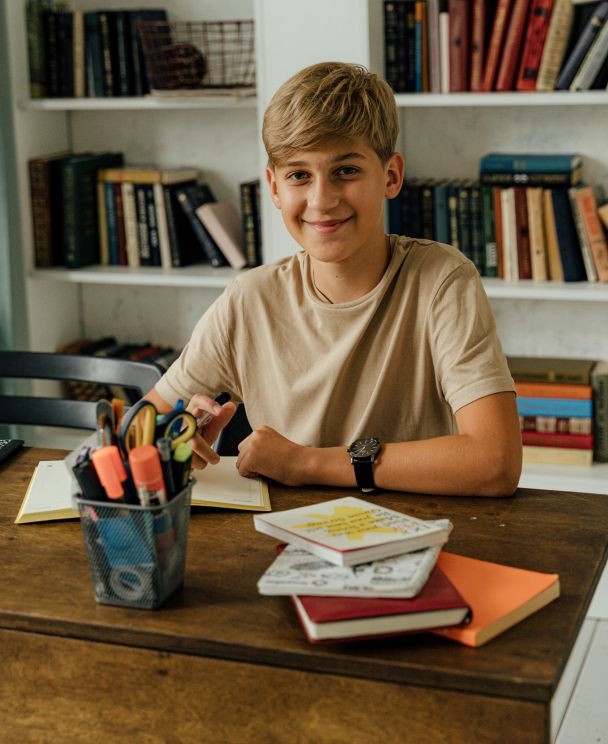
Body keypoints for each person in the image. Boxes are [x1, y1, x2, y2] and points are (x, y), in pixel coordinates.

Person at [146, 61, 522, 497]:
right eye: (299, 175)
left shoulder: (441, 280)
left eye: (346, 170)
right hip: (283, 539)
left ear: (391, 175)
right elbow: (141, 424)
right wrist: (175, 435)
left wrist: (307, 463)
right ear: (273, 187)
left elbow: (495, 462)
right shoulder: (249, 300)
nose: (321, 200)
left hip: (411, 533)